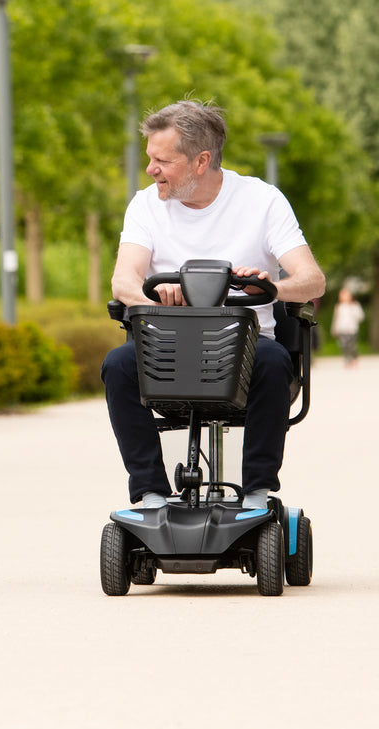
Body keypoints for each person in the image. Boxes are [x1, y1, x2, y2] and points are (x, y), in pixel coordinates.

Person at [101, 100, 326, 510]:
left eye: (162, 160)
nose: (151, 170)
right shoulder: (145, 204)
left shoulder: (262, 200)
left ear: (201, 161)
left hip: (244, 349)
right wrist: (154, 298)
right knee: (117, 366)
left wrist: (272, 288)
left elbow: (313, 280)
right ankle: (150, 493)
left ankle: (257, 493)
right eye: (151, 158)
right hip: (167, 348)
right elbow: (123, 279)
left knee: (275, 363)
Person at [330, 286, 365, 367]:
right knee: (344, 345)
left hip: (352, 329)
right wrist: (334, 329)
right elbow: (336, 319)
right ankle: (347, 359)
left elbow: (360, 317)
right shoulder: (339, 306)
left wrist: (353, 309)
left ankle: (354, 358)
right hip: (342, 329)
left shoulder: (355, 305)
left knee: (352, 345)